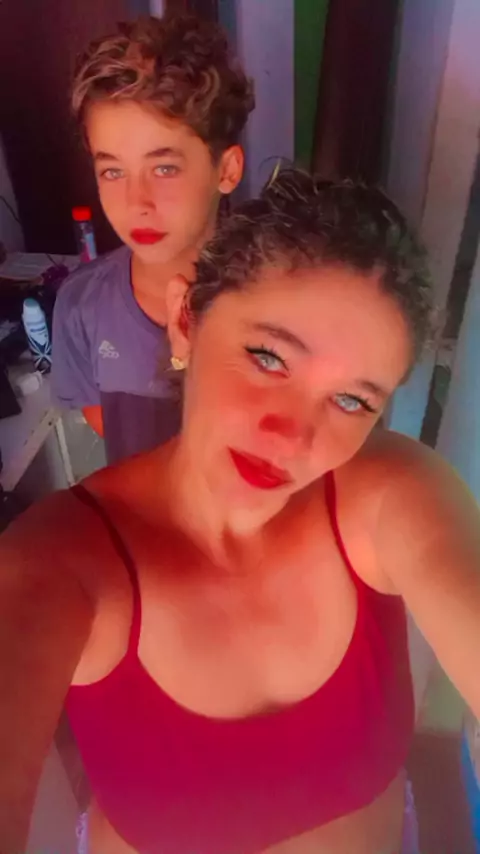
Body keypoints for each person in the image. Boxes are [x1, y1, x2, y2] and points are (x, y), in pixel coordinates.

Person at [2, 168, 480, 854]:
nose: (293, 437)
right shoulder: (60, 561)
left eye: (351, 400)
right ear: (186, 320)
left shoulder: (391, 493)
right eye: (268, 357)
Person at [52, 12, 254, 463]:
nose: (136, 202)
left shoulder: (277, 304)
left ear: (226, 170)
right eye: (113, 171)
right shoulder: (81, 307)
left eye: (164, 168)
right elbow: (112, 431)